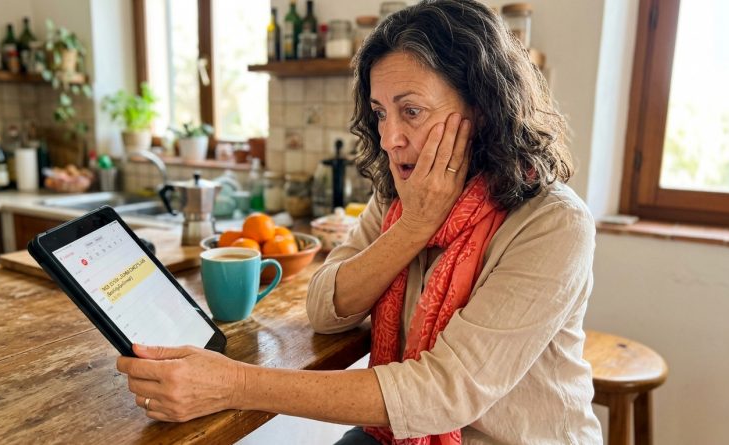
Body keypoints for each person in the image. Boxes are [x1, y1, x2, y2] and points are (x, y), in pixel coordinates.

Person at [116, 1, 603, 443]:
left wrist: (234, 384)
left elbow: (442, 394)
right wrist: (415, 225)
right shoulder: (399, 195)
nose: (390, 137)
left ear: (482, 109)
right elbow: (327, 308)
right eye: (379, 113)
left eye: (411, 111)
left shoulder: (554, 224)